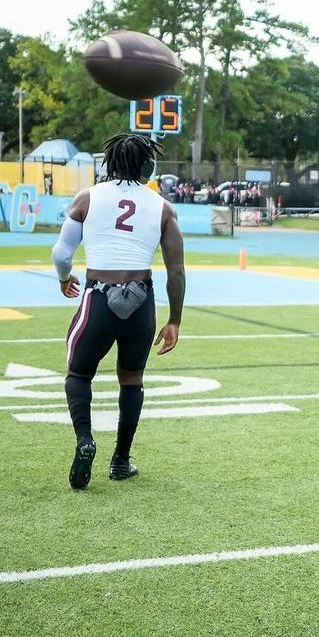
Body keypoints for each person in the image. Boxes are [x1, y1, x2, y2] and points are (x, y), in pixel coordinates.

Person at [51, 132, 186, 490]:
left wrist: (65, 279)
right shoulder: (163, 207)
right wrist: (174, 320)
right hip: (141, 302)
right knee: (132, 379)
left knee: (78, 375)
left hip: (98, 297)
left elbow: (61, 254)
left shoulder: (87, 198)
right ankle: (121, 460)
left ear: (109, 164)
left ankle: (85, 441)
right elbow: (176, 271)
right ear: (147, 165)